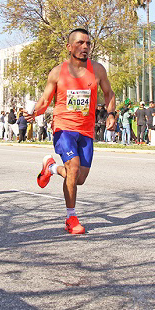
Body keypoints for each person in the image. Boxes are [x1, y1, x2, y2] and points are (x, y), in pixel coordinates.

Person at [26, 28, 116, 234]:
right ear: (69, 47)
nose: (85, 47)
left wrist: (112, 114)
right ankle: (71, 218)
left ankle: (50, 169)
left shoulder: (98, 70)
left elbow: (109, 93)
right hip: (63, 127)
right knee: (73, 168)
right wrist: (35, 112)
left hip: (86, 130)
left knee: (79, 178)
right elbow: (44, 99)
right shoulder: (58, 72)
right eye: (79, 43)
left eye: (87, 43)